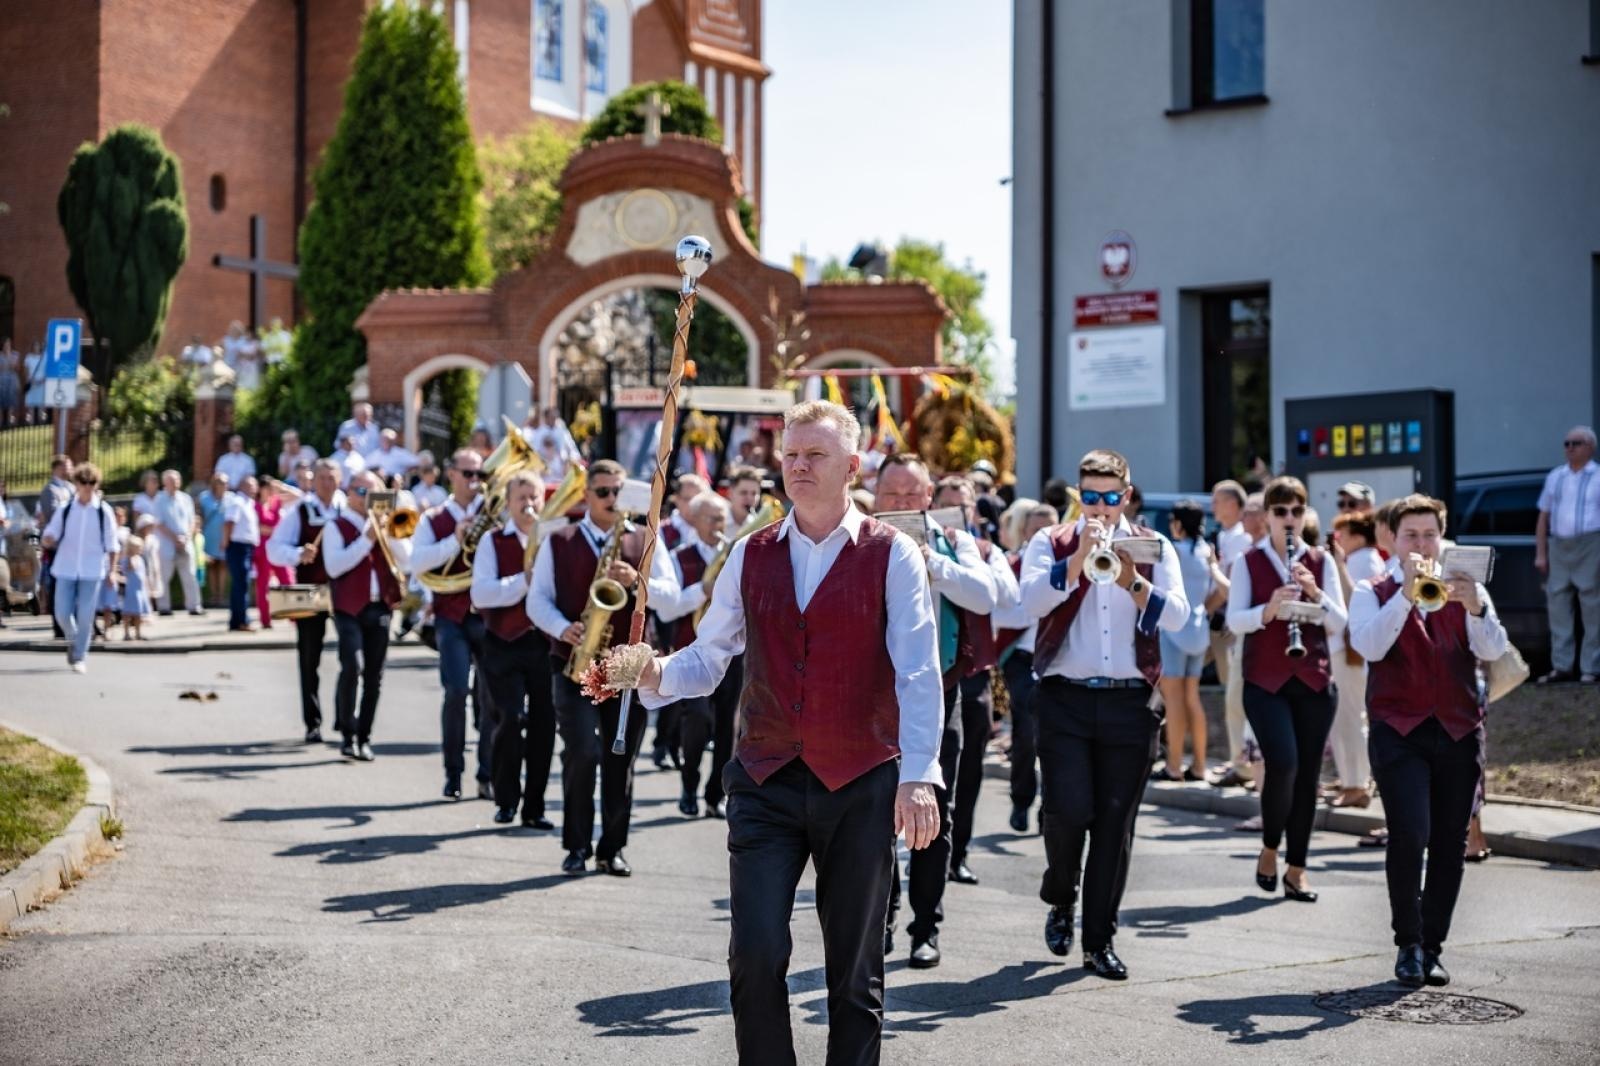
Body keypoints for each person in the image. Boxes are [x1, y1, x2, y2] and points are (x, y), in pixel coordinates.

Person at [636, 400, 943, 1066]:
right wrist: (649, 672)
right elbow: (708, 658)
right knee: (754, 953)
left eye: (816, 455)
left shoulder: (894, 557)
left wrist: (919, 775)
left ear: (853, 467)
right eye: (791, 455)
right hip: (766, 778)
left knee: (854, 973)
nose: (798, 467)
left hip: (860, 779)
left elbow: (920, 672)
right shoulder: (752, 552)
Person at [1018, 448, 1189, 980]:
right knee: (1068, 811)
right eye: (1089, 497)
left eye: (1109, 498)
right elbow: (1030, 601)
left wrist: (1134, 582)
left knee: (1115, 826)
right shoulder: (1051, 541)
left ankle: (1099, 942)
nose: (1099, 508)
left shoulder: (1154, 546)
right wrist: (1076, 562)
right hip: (1065, 697)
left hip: (1130, 702)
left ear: (1127, 495)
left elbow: (1180, 615)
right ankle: (1060, 893)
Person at [1348, 494, 1508, 988]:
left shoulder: (1467, 587)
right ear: (1392, 540)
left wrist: (1476, 606)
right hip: (1399, 730)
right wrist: (1406, 596)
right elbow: (1369, 646)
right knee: (1411, 832)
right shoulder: (1369, 589)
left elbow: (1494, 649)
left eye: (1428, 534)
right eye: (1410, 535)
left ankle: (1432, 946)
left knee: (1448, 843)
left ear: (1441, 537)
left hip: (1459, 729)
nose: (1420, 543)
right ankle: (1407, 943)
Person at [873, 454, 996, 969]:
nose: (901, 504)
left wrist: (934, 563)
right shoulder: (856, 541)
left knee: (933, 817)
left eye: (911, 496)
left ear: (929, 499)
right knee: (872, 814)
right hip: (872, 698)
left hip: (939, 690)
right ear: (877, 498)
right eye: (892, 496)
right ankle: (879, 920)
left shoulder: (954, 541)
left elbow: (988, 597)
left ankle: (926, 927)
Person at [1227, 476, 1347, 904]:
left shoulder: (1320, 560)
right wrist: (1269, 609)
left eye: (1297, 511)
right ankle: (1270, 846)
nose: (1290, 519)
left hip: (1314, 681)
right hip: (1264, 682)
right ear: (1268, 518)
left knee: (1308, 776)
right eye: (1281, 512)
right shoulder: (1248, 562)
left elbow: (1340, 623)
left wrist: (1315, 594)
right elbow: (1234, 620)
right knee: (1284, 763)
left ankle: (1297, 868)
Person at [526, 459, 648, 877]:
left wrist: (636, 582)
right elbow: (536, 600)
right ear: (587, 495)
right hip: (574, 662)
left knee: (621, 758)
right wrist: (564, 629)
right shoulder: (559, 540)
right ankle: (576, 845)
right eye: (603, 492)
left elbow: (670, 596)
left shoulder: (647, 541)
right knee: (581, 751)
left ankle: (611, 847)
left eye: (618, 492)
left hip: (626, 668)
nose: (612, 500)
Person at [934, 473, 1014, 893]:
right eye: (945, 505)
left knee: (968, 771)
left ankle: (958, 852)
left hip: (973, 675)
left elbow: (1006, 596)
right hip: (932, 674)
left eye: (961, 506)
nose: (954, 513)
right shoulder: (916, 549)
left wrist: (970, 560)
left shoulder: (985, 551)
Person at [471, 471, 556, 827]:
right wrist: (524, 581)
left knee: (544, 725)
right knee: (508, 720)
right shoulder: (492, 541)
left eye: (534, 496)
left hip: (544, 644)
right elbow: (481, 595)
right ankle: (506, 798)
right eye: (521, 497)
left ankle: (534, 808)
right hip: (503, 643)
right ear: (507, 503)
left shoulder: (554, 541)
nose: (529, 504)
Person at [644, 491, 735, 817]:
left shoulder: (735, 557)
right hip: (690, 648)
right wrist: (704, 590)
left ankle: (715, 796)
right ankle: (688, 783)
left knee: (728, 727)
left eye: (722, 518)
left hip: (731, 655)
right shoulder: (679, 557)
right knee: (697, 719)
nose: (718, 525)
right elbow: (672, 608)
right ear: (695, 522)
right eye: (711, 518)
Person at [412, 448, 490, 800]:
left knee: (491, 698)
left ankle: (486, 773)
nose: (475, 481)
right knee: (456, 691)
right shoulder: (434, 518)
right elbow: (418, 564)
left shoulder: (493, 514)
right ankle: (453, 772)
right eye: (468, 474)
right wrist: (455, 540)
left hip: (489, 615)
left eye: (480, 475)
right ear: (452, 475)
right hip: (450, 615)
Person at [322, 470, 411, 761]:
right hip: (348, 607)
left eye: (375, 493)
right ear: (349, 493)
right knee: (352, 666)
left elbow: (409, 559)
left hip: (380, 606)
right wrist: (366, 539)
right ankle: (347, 732)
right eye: (362, 492)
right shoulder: (337, 526)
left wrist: (387, 533)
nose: (368, 499)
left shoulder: (389, 523)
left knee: (375, 675)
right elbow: (335, 567)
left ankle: (364, 735)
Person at [266, 458, 346, 742]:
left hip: (344, 591)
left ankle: (344, 714)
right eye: (322, 477)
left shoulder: (348, 508)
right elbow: (273, 548)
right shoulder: (301, 510)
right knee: (309, 656)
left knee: (351, 655)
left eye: (332, 477)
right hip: (310, 591)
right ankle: (312, 721)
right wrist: (298, 554)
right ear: (314, 480)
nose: (327, 482)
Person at [992, 499, 1058, 833]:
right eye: (1035, 530)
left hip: (1059, 661)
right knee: (1026, 734)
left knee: (1057, 739)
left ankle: (1051, 809)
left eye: (1048, 529)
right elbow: (998, 612)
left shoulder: (1072, 564)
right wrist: (1033, 606)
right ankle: (1021, 800)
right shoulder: (1013, 563)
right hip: (1022, 659)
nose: (1042, 536)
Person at [1154, 499, 1228, 782]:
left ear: (1177, 523)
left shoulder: (1175, 551)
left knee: (1173, 698)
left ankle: (1174, 765)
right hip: (1198, 628)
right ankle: (1198, 764)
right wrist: (1202, 610)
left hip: (1174, 629)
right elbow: (1219, 592)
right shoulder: (1206, 552)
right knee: (1191, 697)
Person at [1326, 510, 1387, 807]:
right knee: (1348, 717)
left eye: (1343, 535)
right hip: (1350, 647)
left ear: (1359, 536)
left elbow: (1355, 600)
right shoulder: (1364, 558)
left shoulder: (1363, 559)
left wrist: (1338, 564)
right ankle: (1353, 780)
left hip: (1351, 648)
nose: (1339, 541)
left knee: (1348, 717)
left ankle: (1356, 784)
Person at [1535, 425, 1600, 683]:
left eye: (1577, 443)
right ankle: (1561, 666)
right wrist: (1541, 553)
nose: (1570, 448)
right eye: (1567, 443)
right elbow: (1543, 516)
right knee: (1558, 604)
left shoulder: (1598, 476)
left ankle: (1590, 668)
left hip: (1590, 543)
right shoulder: (1556, 476)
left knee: (1592, 605)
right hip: (1559, 544)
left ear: (1590, 447)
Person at [1211, 489, 1266, 788]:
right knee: (1235, 701)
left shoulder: (1253, 550)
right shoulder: (1249, 550)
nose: (1244, 517)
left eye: (1250, 512)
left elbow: (1233, 594)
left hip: (1255, 639)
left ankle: (1247, 768)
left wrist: (1211, 569)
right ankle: (1242, 765)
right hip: (1242, 634)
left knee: (1241, 701)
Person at [40, 462, 117, 673]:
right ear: (76, 483)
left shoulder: (103, 511)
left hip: (92, 570)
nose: (87, 486)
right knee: (62, 613)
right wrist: (47, 539)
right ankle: (74, 640)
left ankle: (80, 656)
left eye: (91, 482)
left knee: (86, 615)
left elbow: (112, 544)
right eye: (83, 482)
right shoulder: (65, 509)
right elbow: (53, 532)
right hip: (65, 567)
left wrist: (112, 571)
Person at [152, 469, 203, 616]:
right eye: (171, 481)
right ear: (165, 483)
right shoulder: (159, 499)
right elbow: (159, 523)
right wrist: (175, 538)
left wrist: (186, 537)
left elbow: (192, 520)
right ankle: (164, 607)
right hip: (167, 542)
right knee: (164, 575)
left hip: (185, 541)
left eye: (176, 480)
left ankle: (194, 605)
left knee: (190, 575)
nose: (174, 483)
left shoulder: (185, 498)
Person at [253, 478, 299, 629]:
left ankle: (294, 616)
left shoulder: (277, 501)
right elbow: (257, 528)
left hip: (278, 547)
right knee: (263, 584)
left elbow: (299, 496)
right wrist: (278, 531)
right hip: (262, 549)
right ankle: (265, 619)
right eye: (268, 488)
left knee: (288, 580)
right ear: (261, 489)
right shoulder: (255, 505)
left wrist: (281, 486)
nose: (270, 491)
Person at [223, 476, 261, 632]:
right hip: (238, 546)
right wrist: (226, 541)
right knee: (241, 584)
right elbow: (229, 522)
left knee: (240, 584)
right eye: (249, 485)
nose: (253, 488)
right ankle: (242, 621)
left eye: (254, 485)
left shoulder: (249, 503)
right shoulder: (238, 502)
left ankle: (236, 621)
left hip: (246, 547)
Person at [198, 473, 231, 608]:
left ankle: (221, 595)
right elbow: (200, 516)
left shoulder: (231, 498)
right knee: (212, 565)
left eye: (225, 483)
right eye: (221, 483)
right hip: (209, 535)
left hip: (224, 535)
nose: (223, 486)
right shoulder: (204, 498)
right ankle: (213, 594)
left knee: (223, 565)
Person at [523, 406, 582, 481]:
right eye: (551, 417)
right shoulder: (538, 433)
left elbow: (573, 450)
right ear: (546, 417)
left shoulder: (562, 432)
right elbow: (534, 452)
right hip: (545, 473)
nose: (553, 419)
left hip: (562, 472)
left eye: (555, 417)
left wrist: (570, 461)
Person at [121, 533, 152, 641]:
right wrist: (130, 556)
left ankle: (138, 633)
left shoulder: (141, 559)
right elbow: (129, 569)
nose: (140, 549)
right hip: (131, 590)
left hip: (140, 589)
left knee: (139, 613)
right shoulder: (127, 559)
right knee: (128, 612)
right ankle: (126, 633)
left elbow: (144, 575)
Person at [0, 338, 20, 428]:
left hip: (12, 380)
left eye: (8, 344)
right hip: (1, 381)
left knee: (12, 401)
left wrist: (10, 360)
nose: (7, 346)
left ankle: (9, 423)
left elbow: (17, 368)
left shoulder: (15, 355)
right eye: (5, 344)